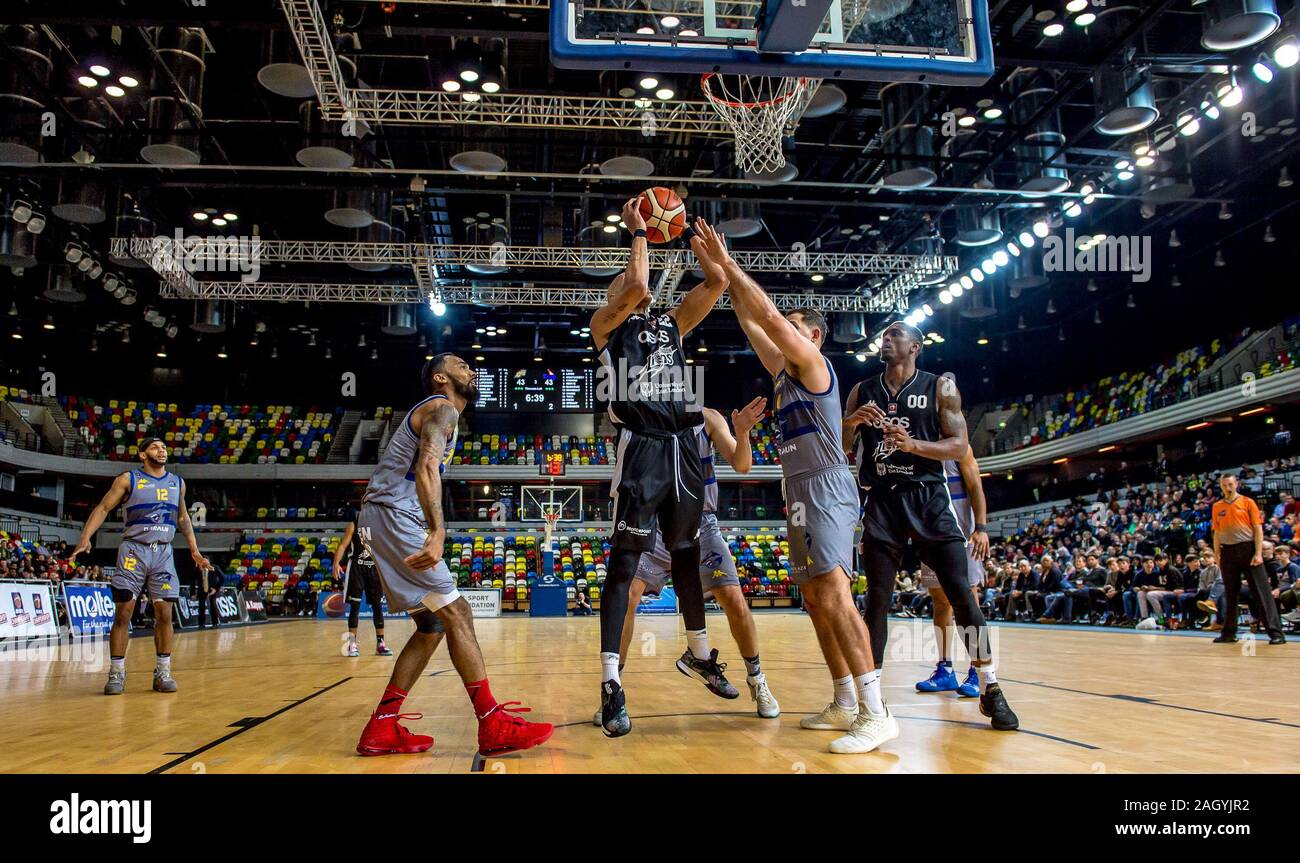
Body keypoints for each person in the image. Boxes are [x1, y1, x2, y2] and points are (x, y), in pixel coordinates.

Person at [698, 230, 896, 754]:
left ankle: (877, 712)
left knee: (834, 594)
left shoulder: (812, 366)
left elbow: (767, 318)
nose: (786, 331)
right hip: (799, 490)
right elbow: (750, 320)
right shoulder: (782, 373)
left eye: (796, 326)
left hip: (827, 486)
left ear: (813, 337)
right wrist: (721, 281)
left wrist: (730, 262)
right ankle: (844, 700)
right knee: (813, 599)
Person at [354, 353, 554, 756]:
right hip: (393, 516)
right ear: (440, 377)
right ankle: (492, 722)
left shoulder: (442, 414)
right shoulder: (442, 408)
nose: (472, 371)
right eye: (463, 366)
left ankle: (382, 726)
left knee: (432, 625)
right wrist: (437, 530)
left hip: (380, 518)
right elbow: (428, 467)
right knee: (457, 612)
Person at [589, 205, 733, 738]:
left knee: (688, 557)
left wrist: (710, 256)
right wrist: (641, 230)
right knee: (623, 568)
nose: (633, 286)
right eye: (623, 284)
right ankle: (611, 682)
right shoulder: (605, 327)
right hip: (643, 449)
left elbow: (715, 285)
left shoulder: (669, 328)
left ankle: (698, 654)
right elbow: (637, 284)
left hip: (683, 449)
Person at [846, 321, 1018, 731]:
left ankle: (990, 686)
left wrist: (913, 445)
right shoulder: (862, 391)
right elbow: (839, 444)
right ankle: (870, 700)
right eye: (884, 336)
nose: (886, 340)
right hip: (883, 501)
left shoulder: (940, 386)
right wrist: (852, 422)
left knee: (962, 595)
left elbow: (960, 447)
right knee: (877, 602)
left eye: (895, 335)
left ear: (916, 346)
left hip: (928, 497)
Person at [601, 398, 780, 721]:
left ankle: (757, 678)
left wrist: (743, 433)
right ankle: (613, 692)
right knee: (628, 596)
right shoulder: (643, 415)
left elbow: (741, 465)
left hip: (700, 522)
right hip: (653, 523)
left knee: (734, 598)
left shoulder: (707, 418)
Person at [69, 437, 211, 695]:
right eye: (156, 447)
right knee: (124, 612)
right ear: (143, 454)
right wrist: (85, 537)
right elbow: (102, 508)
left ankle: (163, 671)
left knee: (165, 614)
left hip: (163, 553)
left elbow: (183, 517)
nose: (162, 450)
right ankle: (116, 673)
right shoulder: (128, 479)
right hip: (134, 550)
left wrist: (194, 550)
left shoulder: (177, 482)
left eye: (164, 447)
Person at [906, 408, 991, 698]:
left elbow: (976, 488)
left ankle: (976, 670)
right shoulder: (923, 450)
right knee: (940, 602)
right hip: (931, 534)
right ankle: (945, 669)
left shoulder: (960, 450)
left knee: (969, 600)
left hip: (963, 536)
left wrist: (980, 527)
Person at [1211, 474, 1285, 645]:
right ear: (1221, 486)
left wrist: (1258, 553)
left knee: (1261, 591)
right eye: (1224, 485)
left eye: (1230, 484)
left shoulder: (1247, 502)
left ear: (1236, 484)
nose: (1227, 488)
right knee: (1230, 593)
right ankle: (1229, 632)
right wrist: (1217, 554)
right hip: (1227, 551)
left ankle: (1276, 633)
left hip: (1248, 548)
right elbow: (1216, 532)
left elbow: (1258, 529)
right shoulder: (1217, 506)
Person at [333, 509, 391, 657]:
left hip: (374, 568)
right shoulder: (353, 525)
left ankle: (381, 644)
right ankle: (352, 644)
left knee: (377, 606)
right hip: (357, 569)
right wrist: (336, 563)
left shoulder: (381, 526)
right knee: (355, 607)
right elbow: (342, 545)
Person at [196, 563, 224, 629]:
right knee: (201, 606)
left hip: (212, 588)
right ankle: (201, 624)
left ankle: (215, 623)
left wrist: (216, 588)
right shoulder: (198, 567)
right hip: (202, 589)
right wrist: (192, 592)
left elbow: (222, 577)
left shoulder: (214, 567)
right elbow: (193, 579)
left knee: (213, 605)